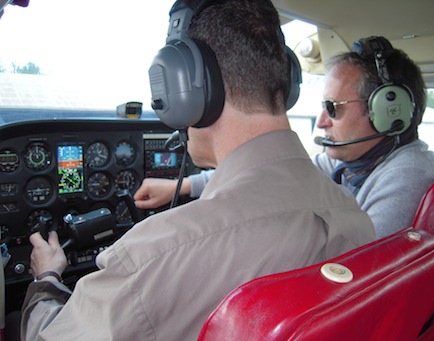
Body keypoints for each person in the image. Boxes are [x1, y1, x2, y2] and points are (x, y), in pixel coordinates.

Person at [21, 1, 375, 340]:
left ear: (185, 87)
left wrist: (46, 277)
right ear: (288, 82)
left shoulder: (154, 257)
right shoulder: (356, 216)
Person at [137, 36, 434, 239]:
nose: (322, 122)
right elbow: (275, 173)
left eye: (333, 108)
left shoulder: (410, 173)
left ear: (388, 111)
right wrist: (185, 186)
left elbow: (361, 270)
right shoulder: (352, 164)